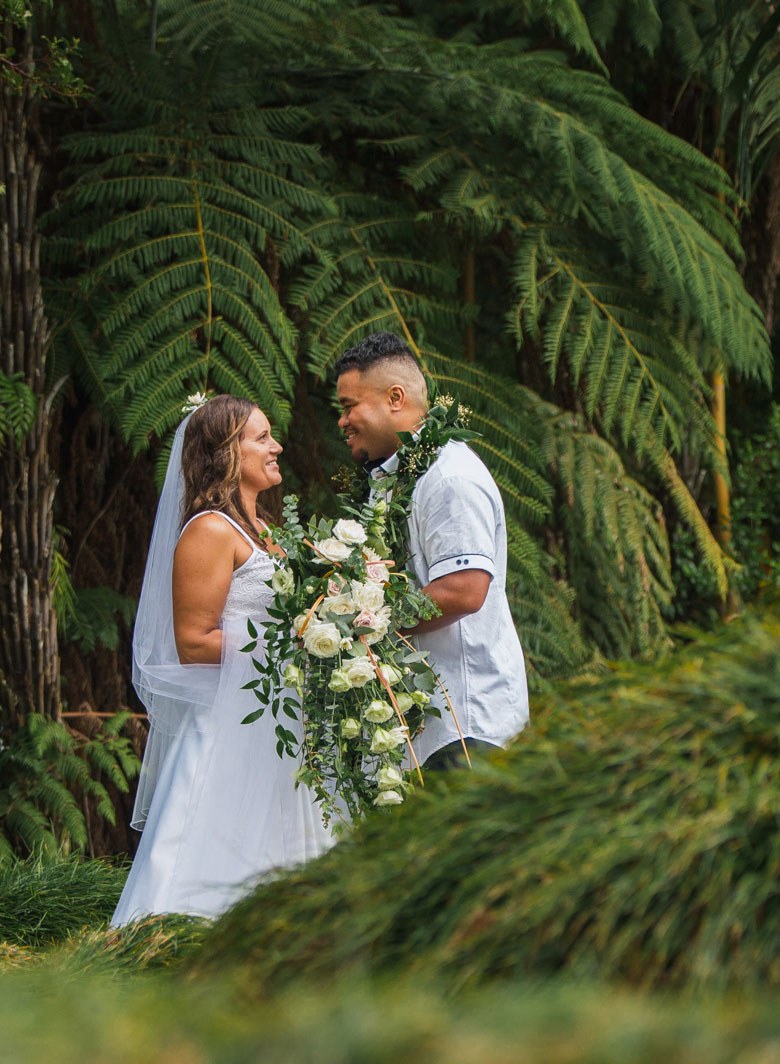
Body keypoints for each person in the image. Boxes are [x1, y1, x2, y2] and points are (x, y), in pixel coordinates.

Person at [110, 394, 332, 928]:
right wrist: (292, 639)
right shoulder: (210, 530)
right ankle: (174, 946)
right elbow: (193, 642)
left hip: (280, 724)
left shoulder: (270, 535)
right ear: (225, 454)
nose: (276, 446)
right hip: (232, 729)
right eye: (261, 438)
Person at [332, 333, 529, 771]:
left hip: (464, 721)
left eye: (349, 406)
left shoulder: (448, 477)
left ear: (395, 398)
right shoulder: (397, 480)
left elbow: (464, 590)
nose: (342, 421)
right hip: (429, 725)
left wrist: (356, 620)